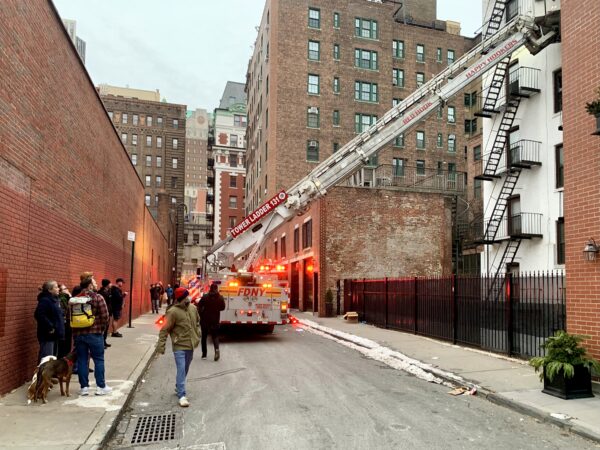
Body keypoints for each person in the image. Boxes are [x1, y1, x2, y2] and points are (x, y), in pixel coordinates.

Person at [156, 287, 200, 408]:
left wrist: (198, 334)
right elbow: (164, 329)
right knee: (181, 368)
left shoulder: (193, 308)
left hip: (190, 345)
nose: (188, 297)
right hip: (179, 345)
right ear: (182, 298)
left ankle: (178, 386)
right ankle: (182, 395)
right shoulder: (173, 312)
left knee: (185, 368)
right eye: (186, 296)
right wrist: (161, 346)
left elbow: (197, 323)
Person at [72, 273, 111, 396]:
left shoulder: (74, 299)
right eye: (94, 283)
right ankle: (101, 387)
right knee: (99, 359)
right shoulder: (98, 297)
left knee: (82, 360)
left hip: (79, 334)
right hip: (95, 333)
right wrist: (102, 328)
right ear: (89, 285)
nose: (96, 285)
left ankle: (84, 388)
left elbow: (70, 316)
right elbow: (105, 316)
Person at [34, 281, 65, 362]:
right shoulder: (45, 300)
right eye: (56, 287)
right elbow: (39, 315)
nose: (58, 289)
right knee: (47, 360)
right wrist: (50, 327)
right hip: (48, 335)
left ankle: (48, 374)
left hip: (55, 335)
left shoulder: (55, 300)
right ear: (50, 290)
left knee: (52, 359)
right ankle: (41, 374)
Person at [197, 283, 226, 361]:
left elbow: (199, 305)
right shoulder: (220, 298)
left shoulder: (205, 297)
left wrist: (201, 313)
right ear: (216, 289)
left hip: (205, 319)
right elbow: (223, 307)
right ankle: (216, 350)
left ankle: (204, 354)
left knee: (204, 336)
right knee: (215, 336)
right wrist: (216, 309)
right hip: (215, 319)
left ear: (210, 288)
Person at [57, 284, 72, 358]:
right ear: (60, 291)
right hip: (64, 324)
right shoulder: (62, 299)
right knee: (63, 345)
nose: (67, 290)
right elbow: (65, 311)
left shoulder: (66, 298)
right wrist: (70, 298)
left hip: (68, 323)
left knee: (68, 344)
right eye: (65, 289)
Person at [98, 279, 112, 349]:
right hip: (103, 313)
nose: (111, 284)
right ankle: (101, 343)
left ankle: (104, 342)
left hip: (108, 312)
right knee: (103, 329)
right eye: (110, 283)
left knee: (106, 329)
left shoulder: (108, 291)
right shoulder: (101, 293)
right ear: (107, 284)